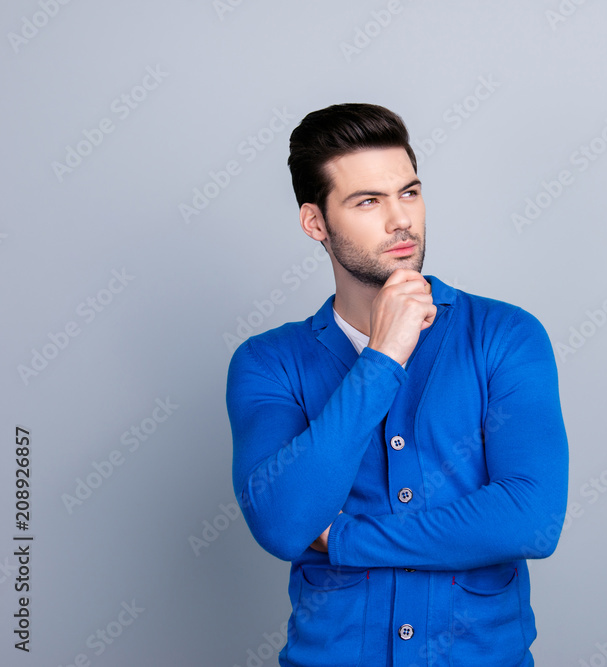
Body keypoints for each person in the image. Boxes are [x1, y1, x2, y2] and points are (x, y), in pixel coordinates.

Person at [225, 102, 570, 667]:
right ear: (316, 223)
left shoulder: (505, 335)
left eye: (409, 193)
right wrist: (382, 357)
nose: (400, 220)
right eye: (368, 201)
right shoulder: (268, 363)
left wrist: (343, 538)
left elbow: (532, 519)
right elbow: (283, 524)